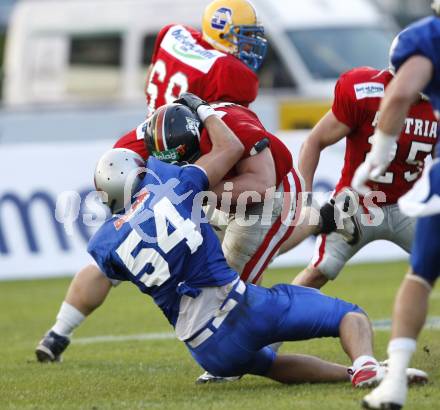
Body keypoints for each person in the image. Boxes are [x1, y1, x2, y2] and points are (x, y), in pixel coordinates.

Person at [88, 99, 426, 388]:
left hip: (206, 348)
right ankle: (367, 365)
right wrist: (203, 112)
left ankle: (351, 373)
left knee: (268, 365)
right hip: (242, 310)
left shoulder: (105, 243)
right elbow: (227, 151)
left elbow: (123, 255)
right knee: (350, 315)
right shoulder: (179, 186)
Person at [35, 0, 266, 364]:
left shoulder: (173, 33)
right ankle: (223, 335)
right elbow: (227, 128)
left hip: (132, 150)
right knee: (207, 240)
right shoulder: (231, 70)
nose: (251, 47)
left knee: (111, 260)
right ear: (223, 32)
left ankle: (58, 333)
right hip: (174, 161)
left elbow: (159, 79)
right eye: (244, 38)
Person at [351, 4, 440, 408]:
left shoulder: (426, 37)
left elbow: (401, 93)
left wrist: (378, 155)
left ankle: (395, 382)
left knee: (420, 274)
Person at [290, 66, 437, 290]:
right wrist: (305, 201)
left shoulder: (435, 105)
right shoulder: (366, 91)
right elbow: (314, 142)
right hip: (357, 204)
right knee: (320, 271)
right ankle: (281, 321)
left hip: (407, 206)